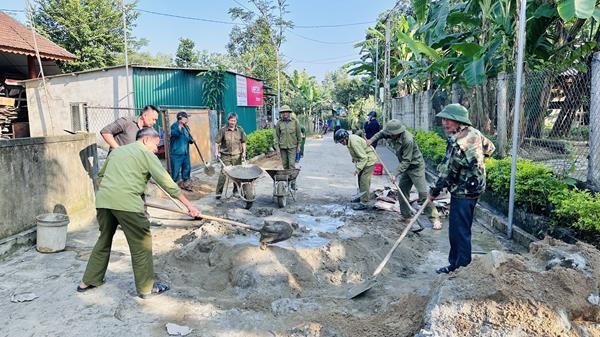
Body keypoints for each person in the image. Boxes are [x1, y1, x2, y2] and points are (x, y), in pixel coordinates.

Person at [77, 127, 200, 298]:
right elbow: (169, 184)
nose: (157, 150)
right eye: (156, 145)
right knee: (141, 244)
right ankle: (146, 288)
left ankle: (88, 280)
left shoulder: (117, 152)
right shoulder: (146, 154)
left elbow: (101, 175)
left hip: (104, 201)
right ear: (145, 140)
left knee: (104, 239)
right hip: (127, 204)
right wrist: (190, 207)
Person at [427, 104, 495, 274]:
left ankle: (461, 269)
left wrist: (433, 192)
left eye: (448, 120)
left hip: (463, 191)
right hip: (475, 187)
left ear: (458, 121)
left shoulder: (457, 141)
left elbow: (447, 171)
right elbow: (490, 148)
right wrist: (475, 163)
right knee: (460, 227)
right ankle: (456, 264)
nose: (444, 123)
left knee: (459, 231)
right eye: (443, 119)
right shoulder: (475, 133)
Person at [367, 119, 441, 231]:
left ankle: (435, 219)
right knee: (402, 191)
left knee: (422, 193)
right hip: (405, 168)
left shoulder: (408, 140)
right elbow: (380, 134)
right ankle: (406, 215)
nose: (389, 135)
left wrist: (395, 174)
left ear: (397, 133)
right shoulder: (390, 133)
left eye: (391, 134)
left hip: (415, 167)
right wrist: (371, 140)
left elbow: (407, 161)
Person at [334, 128, 377, 211]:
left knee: (364, 181)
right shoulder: (349, 140)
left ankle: (364, 202)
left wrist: (358, 169)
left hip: (369, 160)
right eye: (340, 142)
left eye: (342, 141)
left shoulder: (354, 142)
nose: (342, 143)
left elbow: (364, 157)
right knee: (360, 179)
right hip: (364, 160)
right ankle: (361, 196)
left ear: (346, 137)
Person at [214, 113, 247, 199]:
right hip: (225, 156)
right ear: (228, 120)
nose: (232, 122)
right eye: (231, 120)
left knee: (237, 174)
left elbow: (243, 142)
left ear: (236, 121)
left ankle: (236, 191)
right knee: (223, 174)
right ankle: (218, 193)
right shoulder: (223, 130)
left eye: (234, 120)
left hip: (237, 156)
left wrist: (244, 152)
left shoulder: (240, 130)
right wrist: (216, 152)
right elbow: (217, 142)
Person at [274, 105, 302, 171]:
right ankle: (287, 178)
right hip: (282, 147)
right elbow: (277, 136)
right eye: (283, 112)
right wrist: (277, 148)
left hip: (292, 146)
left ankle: (291, 180)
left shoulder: (295, 122)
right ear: (281, 114)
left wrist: (299, 146)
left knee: (291, 164)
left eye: (286, 112)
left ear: (289, 113)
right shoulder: (279, 123)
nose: (285, 114)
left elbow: (299, 135)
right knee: (285, 164)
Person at [169, 111, 193, 188]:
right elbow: (175, 133)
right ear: (180, 118)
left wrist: (191, 140)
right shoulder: (174, 126)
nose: (187, 119)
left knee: (187, 168)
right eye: (186, 117)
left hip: (185, 153)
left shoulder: (187, 127)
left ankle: (185, 183)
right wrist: (180, 126)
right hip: (177, 153)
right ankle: (174, 185)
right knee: (175, 170)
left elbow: (188, 137)